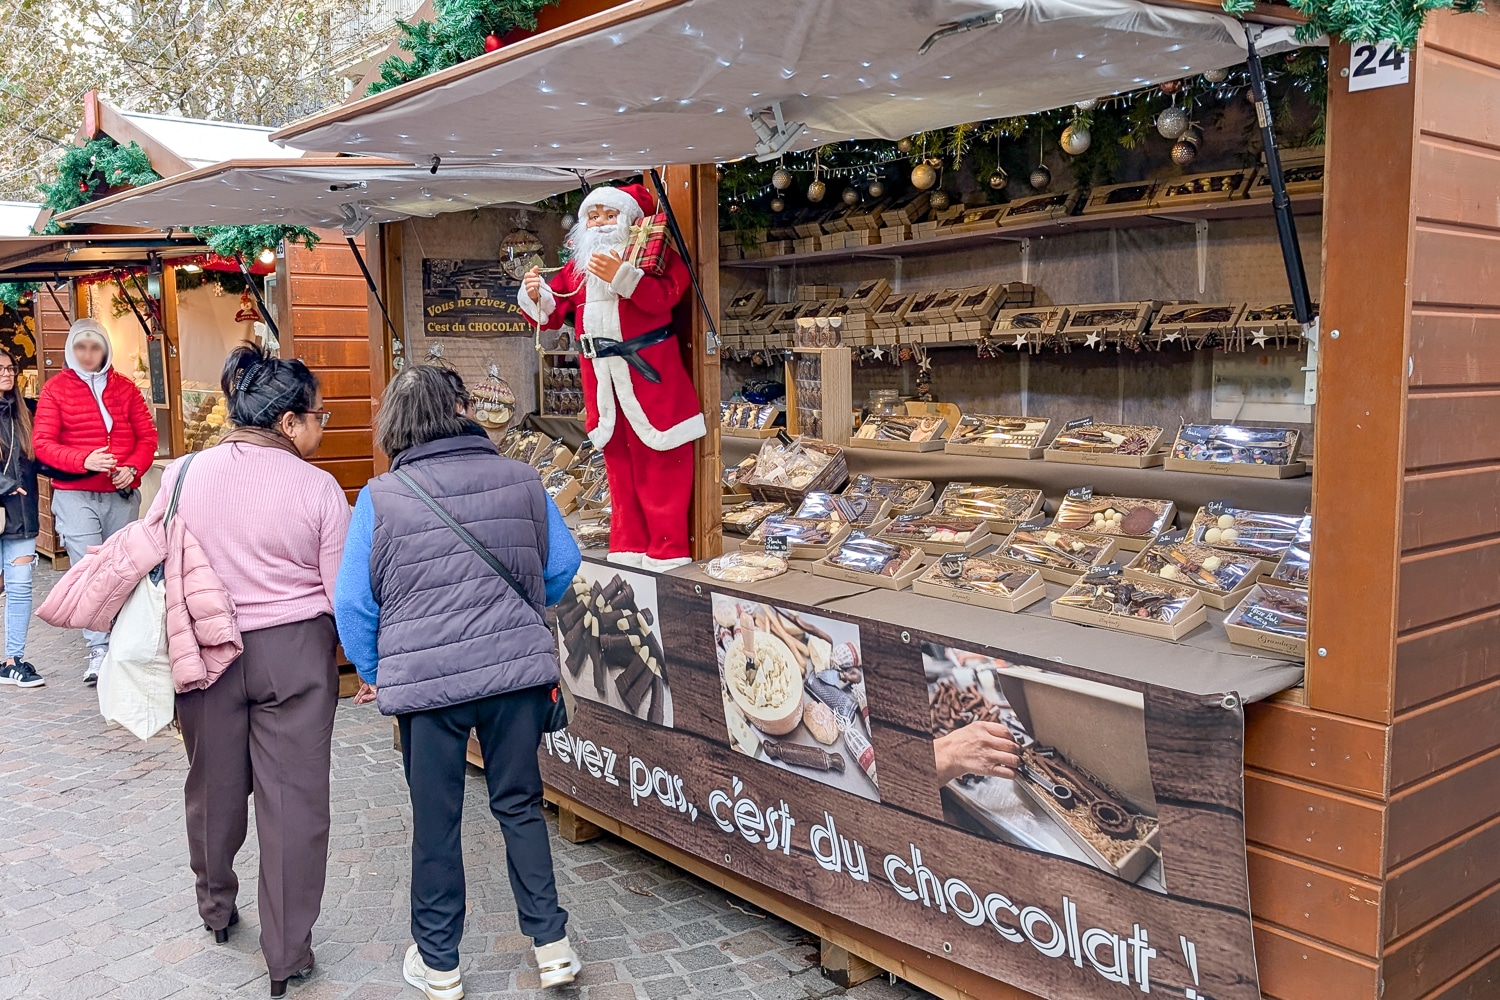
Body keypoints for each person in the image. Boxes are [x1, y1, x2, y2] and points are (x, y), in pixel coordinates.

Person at [335, 365, 583, 1000]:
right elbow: (563, 563)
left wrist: (375, 671)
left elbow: (355, 607)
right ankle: (552, 944)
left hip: (425, 682)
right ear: (464, 408)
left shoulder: (381, 496)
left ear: (395, 422)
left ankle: (440, 962)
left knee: (436, 819)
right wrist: (525, 608)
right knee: (520, 804)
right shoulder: (524, 477)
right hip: (515, 675)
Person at [150, 343, 350, 1000]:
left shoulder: (182, 475)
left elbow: (151, 554)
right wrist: (365, 662)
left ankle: (215, 907)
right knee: (293, 803)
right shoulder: (318, 487)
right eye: (318, 416)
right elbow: (341, 590)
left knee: (211, 785)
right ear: (288, 421)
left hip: (205, 647)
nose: (322, 427)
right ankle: (287, 955)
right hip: (294, 652)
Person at [520, 182, 705, 573]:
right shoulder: (577, 267)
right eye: (594, 215)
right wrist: (536, 294)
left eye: (609, 215)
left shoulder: (652, 257)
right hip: (602, 383)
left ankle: (667, 547)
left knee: (661, 459)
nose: (601, 223)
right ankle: (628, 542)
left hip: (648, 377)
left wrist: (625, 277)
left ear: (630, 221)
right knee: (619, 467)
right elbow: (554, 313)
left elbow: (667, 296)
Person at [33, 317, 157, 685]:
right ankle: (98, 648)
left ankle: (123, 641)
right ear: (72, 349)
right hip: (74, 494)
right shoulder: (56, 390)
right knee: (88, 568)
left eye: (95, 346)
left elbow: (147, 438)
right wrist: (83, 460)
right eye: (81, 347)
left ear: (105, 349)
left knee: (123, 568)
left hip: (119, 493)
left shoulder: (126, 389)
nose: (88, 354)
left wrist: (132, 469)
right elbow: (42, 444)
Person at [0, 352, 41, 688]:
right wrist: (5, 485)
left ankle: (13, 660)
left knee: (20, 588)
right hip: (8, 503)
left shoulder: (25, 412)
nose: (6, 374)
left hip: (21, 517)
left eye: (10, 368)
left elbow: (41, 457)